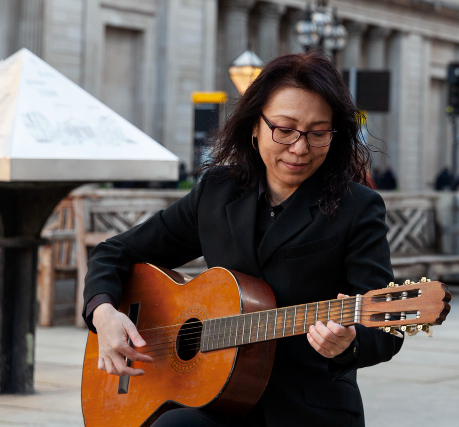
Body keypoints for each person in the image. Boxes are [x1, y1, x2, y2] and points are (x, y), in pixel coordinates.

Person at [83, 52, 402, 427]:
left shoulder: (358, 207)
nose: (300, 148)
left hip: (306, 408)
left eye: (318, 133)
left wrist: (350, 342)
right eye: (284, 129)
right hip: (212, 401)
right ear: (255, 125)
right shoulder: (218, 191)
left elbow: (387, 325)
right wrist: (103, 314)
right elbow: (115, 251)